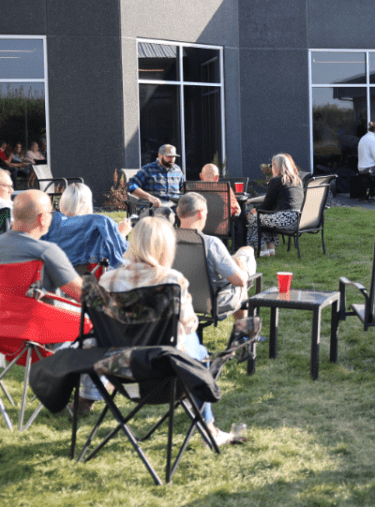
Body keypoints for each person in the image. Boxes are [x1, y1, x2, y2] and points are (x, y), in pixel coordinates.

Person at [97, 216, 234, 446]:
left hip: (121, 376)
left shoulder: (107, 281)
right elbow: (190, 324)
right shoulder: (172, 281)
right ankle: (208, 427)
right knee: (197, 350)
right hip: (168, 377)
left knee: (190, 346)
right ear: (166, 247)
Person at [0, 190, 84, 301]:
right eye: (51, 213)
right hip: (39, 317)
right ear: (42, 219)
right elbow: (85, 295)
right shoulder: (46, 252)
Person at [177, 192, 256, 321]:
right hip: (214, 301)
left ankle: (234, 260)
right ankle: (243, 334)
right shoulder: (211, 243)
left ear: (178, 212)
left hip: (179, 299)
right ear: (201, 214)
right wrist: (242, 269)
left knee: (243, 252)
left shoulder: (165, 239)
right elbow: (239, 281)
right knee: (245, 258)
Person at [246, 153, 304, 257]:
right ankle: (271, 249)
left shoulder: (276, 180)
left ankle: (262, 249)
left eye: (272, 165)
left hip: (285, 220)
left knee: (254, 218)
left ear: (275, 165)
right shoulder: (296, 180)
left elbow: (266, 205)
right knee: (266, 218)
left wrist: (254, 210)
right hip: (299, 220)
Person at [59, 183, 132, 237]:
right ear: (87, 204)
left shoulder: (55, 228)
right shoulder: (92, 229)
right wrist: (122, 234)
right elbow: (110, 254)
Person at [128, 144, 185, 209]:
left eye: (173, 156)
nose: (172, 159)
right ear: (160, 156)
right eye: (169, 156)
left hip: (174, 207)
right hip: (153, 208)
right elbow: (131, 186)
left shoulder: (177, 170)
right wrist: (150, 197)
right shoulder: (148, 169)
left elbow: (182, 188)